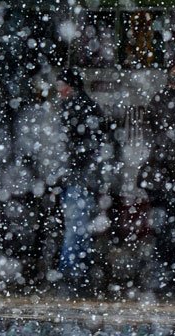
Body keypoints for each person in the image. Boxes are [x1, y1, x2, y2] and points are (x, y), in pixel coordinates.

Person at [137, 64, 175, 296]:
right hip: (165, 178)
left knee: (170, 229)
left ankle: (166, 276)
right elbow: (168, 142)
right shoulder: (170, 104)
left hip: (162, 177)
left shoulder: (163, 101)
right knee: (170, 230)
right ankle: (164, 278)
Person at [55, 67, 108, 296]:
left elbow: (75, 146)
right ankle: (79, 270)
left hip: (79, 176)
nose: (59, 91)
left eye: (61, 86)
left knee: (75, 225)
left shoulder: (74, 108)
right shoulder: (89, 107)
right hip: (86, 176)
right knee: (80, 225)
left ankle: (71, 271)